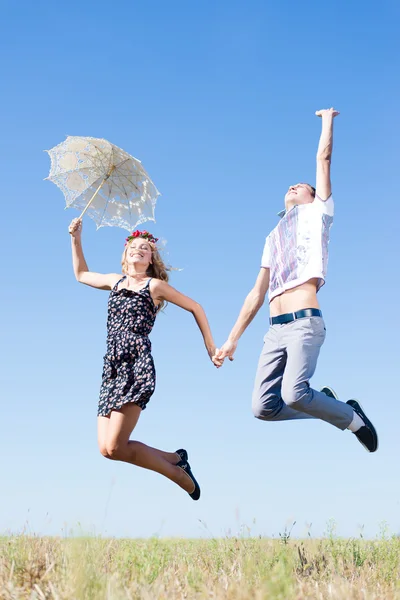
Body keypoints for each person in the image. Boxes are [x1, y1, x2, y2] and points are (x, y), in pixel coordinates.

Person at [214, 108, 378, 452]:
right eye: (292, 185)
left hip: (305, 323)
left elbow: (324, 157)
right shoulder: (272, 236)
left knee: (294, 393)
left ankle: (351, 418)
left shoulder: (319, 213)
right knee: (263, 407)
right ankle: (331, 407)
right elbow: (256, 294)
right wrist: (231, 340)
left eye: (302, 185)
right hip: (275, 330)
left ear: (314, 196)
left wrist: (328, 120)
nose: (295, 185)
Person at [69, 219, 221, 500]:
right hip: (112, 367)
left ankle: (177, 474)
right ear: (125, 255)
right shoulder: (113, 280)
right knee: (107, 449)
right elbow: (81, 274)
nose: (138, 249)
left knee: (115, 446)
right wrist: (76, 237)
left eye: (145, 248)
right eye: (133, 247)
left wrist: (210, 347)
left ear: (151, 258)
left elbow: (195, 307)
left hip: (135, 365)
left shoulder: (155, 286)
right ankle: (176, 459)